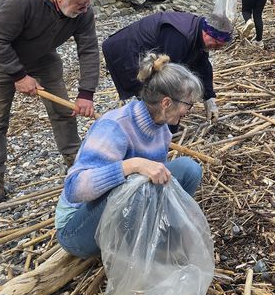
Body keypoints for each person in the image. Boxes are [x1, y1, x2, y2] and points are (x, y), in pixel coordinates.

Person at [55, 53, 205, 258]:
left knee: (189, 169)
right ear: (167, 103)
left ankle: (155, 234)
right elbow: (74, 188)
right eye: (188, 104)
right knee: (137, 185)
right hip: (78, 229)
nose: (189, 110)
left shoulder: (160, 128)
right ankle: (140, 252)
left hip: (121, 213)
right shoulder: (114, 127)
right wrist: (131, 165)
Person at [0, 0, 99, 204]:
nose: (85, 9)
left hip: (42, 54)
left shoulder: (83, 11)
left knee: (63, 110)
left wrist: (86, 93)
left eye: (87, 3)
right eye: (80, 3)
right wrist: (19, 76)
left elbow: (89, 49)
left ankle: (75, 159)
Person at [101, 11, 232, 124]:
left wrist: (209, 98)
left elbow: (203, 65)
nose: (216, 49)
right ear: (206, 32)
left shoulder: (198, 35)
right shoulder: (180, 36)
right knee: (146, 90)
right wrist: (173, 111)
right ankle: (147, 127)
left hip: (148, 52)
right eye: (215, 44)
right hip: (126, 51)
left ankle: (160, 124)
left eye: (220, 46)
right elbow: (169, 76)